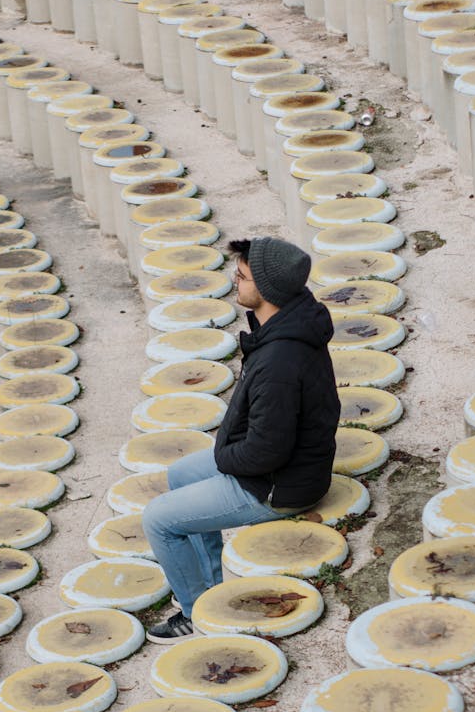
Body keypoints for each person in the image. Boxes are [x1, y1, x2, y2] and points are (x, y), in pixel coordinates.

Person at [143, 235, 340, 642]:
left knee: (158, 519)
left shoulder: (281, 360)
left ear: (267, 290)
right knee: (181, 473)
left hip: (279, 487)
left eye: (243, 276)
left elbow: (267, 450)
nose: (236, 281)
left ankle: (197, 615)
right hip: (274, 465)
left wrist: (225, 459)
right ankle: (208, 589)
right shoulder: (285, 326)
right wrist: (226, 454)